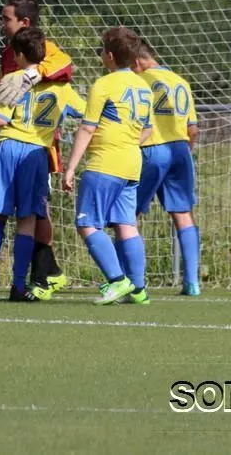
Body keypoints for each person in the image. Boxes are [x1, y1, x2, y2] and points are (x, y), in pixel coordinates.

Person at [0, 27, 85, 302]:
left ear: (20, 55)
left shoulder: (12, 79)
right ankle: (17, 285)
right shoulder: (62, 88)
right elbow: (88, 114)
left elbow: (1, 119)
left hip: (7, 149)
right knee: (27, 221)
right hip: (35, 154)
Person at [0, 0, 74, 293]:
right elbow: (3, 96)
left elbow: (65, 65)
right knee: (21, 213)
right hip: (12, 139)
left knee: (35, 212)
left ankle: (44, 273)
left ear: (24, 22)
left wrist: (35, 73)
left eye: (6, 18)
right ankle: (42, 272)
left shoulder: (47, 49)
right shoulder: (8, 53)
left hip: (38, 146)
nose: (1, 23)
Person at [63, 27, 153, 305]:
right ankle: (138, 289)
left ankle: (117, 280)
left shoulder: (104, 85)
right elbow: (148, 129)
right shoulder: (144, 87)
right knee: (126, 225)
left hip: (105, 163)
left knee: (87, 223)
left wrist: (70, 167)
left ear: (109, 56)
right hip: (132, 163)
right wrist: (127, 143)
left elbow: (87, 128)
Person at [133, 40, 202, 296]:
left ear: (136, 62)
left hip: (151, 149)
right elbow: (193, 129)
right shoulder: (181, 81)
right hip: (180, 150)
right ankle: (192, 281)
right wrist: (186, 151)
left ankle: (133, 280)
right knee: (183, 213)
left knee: (128, 215)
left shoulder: (139, 81)